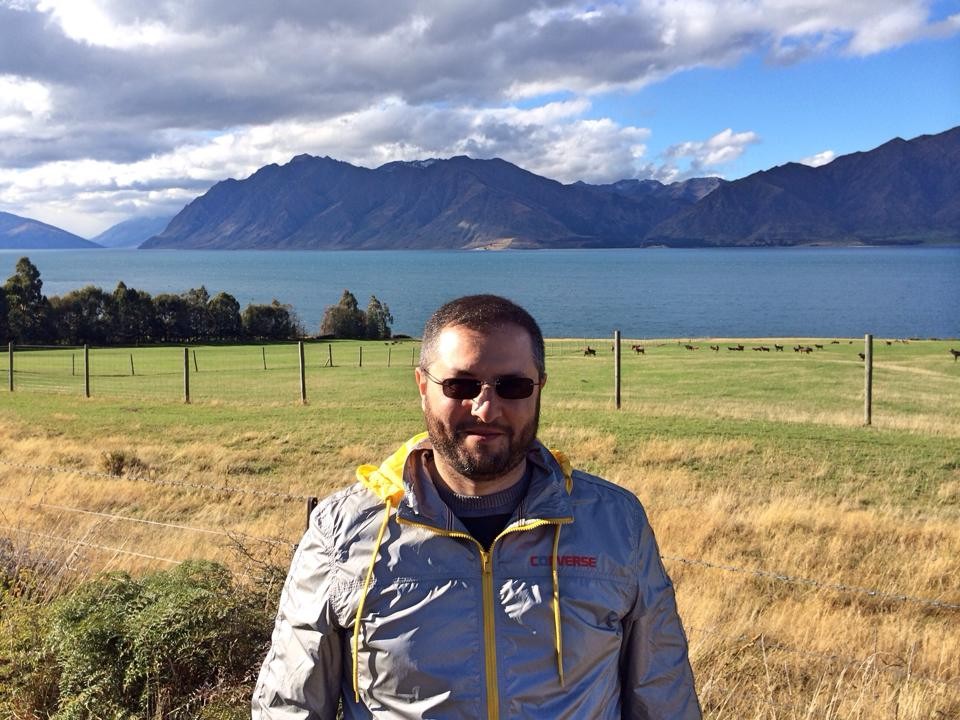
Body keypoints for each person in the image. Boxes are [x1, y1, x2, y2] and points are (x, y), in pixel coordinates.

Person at [253, 294, 701, 719]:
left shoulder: (616, 524)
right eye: (460, 385)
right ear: (422, 386)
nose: (486, 409)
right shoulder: (342, 532)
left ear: (539, 388)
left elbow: (663, 698)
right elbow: (288, 706)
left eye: (513, 386)